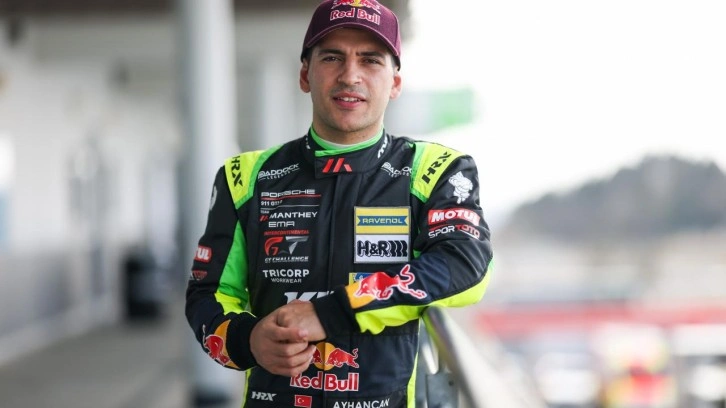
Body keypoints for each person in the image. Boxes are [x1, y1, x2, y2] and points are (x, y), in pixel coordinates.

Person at [185, 1, 493, 407]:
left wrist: (332, 312)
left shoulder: (434, 170)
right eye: (332, 58)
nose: (350, 75)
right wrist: (249, 340)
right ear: (304, 75)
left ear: (395, 82)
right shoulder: (245, 177)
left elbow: (466, 264)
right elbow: (206, 294)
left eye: (370, 60)